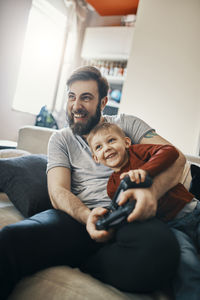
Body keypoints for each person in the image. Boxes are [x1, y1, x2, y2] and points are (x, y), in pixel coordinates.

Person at [0, 66, 183, 299]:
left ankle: (88, 261)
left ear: (103, 101)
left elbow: (176, 157)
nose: (77, 106)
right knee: (10, 239)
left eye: (86, 98)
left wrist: (151, 191)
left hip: (125, 214)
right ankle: (80, 250)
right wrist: (87, 217)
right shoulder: (61, 139)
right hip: (78, 216)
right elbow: (57, 191)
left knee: (162, 251)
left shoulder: (127, 124)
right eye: (72, 97)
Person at [87, 121, 200, 300]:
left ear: (126, 143)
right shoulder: (112, 186)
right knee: (188, 264)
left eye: (111, 141)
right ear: (96, 158)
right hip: (172, 227)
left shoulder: (138, 153)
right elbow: (124, 207)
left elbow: (170, 151)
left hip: (193, 209)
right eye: (99, 147)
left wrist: (144, 171)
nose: (107, 148)